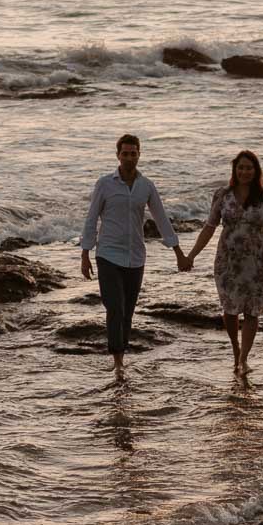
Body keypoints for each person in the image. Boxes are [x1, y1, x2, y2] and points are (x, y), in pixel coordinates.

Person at [80, 133, 188, 374]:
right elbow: (91, 218)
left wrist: (178, 253)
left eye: (133, 153)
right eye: (125, 153)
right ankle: (117, 361)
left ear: (139, 155)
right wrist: (85, 254)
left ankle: (122, 354)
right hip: (107, 254)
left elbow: (161, 219)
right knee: (114, 307)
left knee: (128, 311)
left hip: (136, 257)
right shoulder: (105, 184)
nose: (129, 157)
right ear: (117, 155)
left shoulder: (146, 186)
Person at [182, 150, 263, 376]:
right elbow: (209, 227)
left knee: (252, 311)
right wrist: (191, 255)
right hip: (227, 262)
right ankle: (235, 348)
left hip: (256, 262)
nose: (244, 171)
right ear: (234, 170)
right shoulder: (222, 195)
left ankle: (244, 358)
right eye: (241, 168)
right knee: (230, 309)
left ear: (256, 171)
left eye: (249, 168)